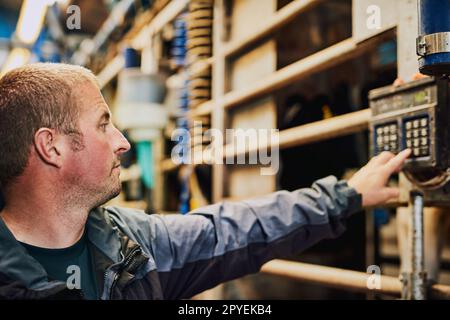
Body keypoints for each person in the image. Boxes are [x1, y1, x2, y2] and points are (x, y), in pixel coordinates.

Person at [0, 63, 411, 300]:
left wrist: (348, 194)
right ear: (51, 147)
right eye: (103, 125)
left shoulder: (129, 245)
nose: (122, 142)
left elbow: (229, 230)